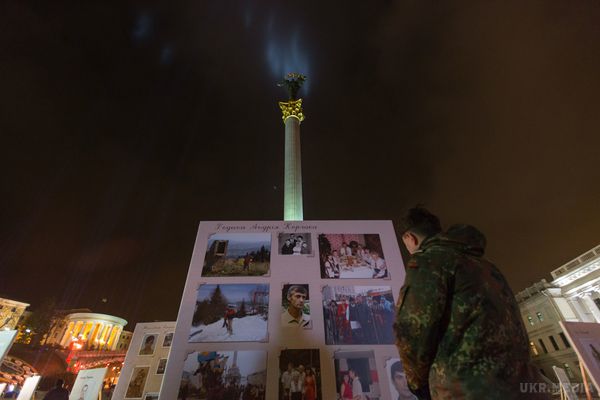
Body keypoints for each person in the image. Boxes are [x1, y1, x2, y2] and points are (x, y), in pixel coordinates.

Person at [394, 206, 550, 399]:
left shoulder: (428, 262)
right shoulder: (487, 266)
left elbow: (412, 329)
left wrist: (417, 385)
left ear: (411, 238)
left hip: (469, 389)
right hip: (523, 386)